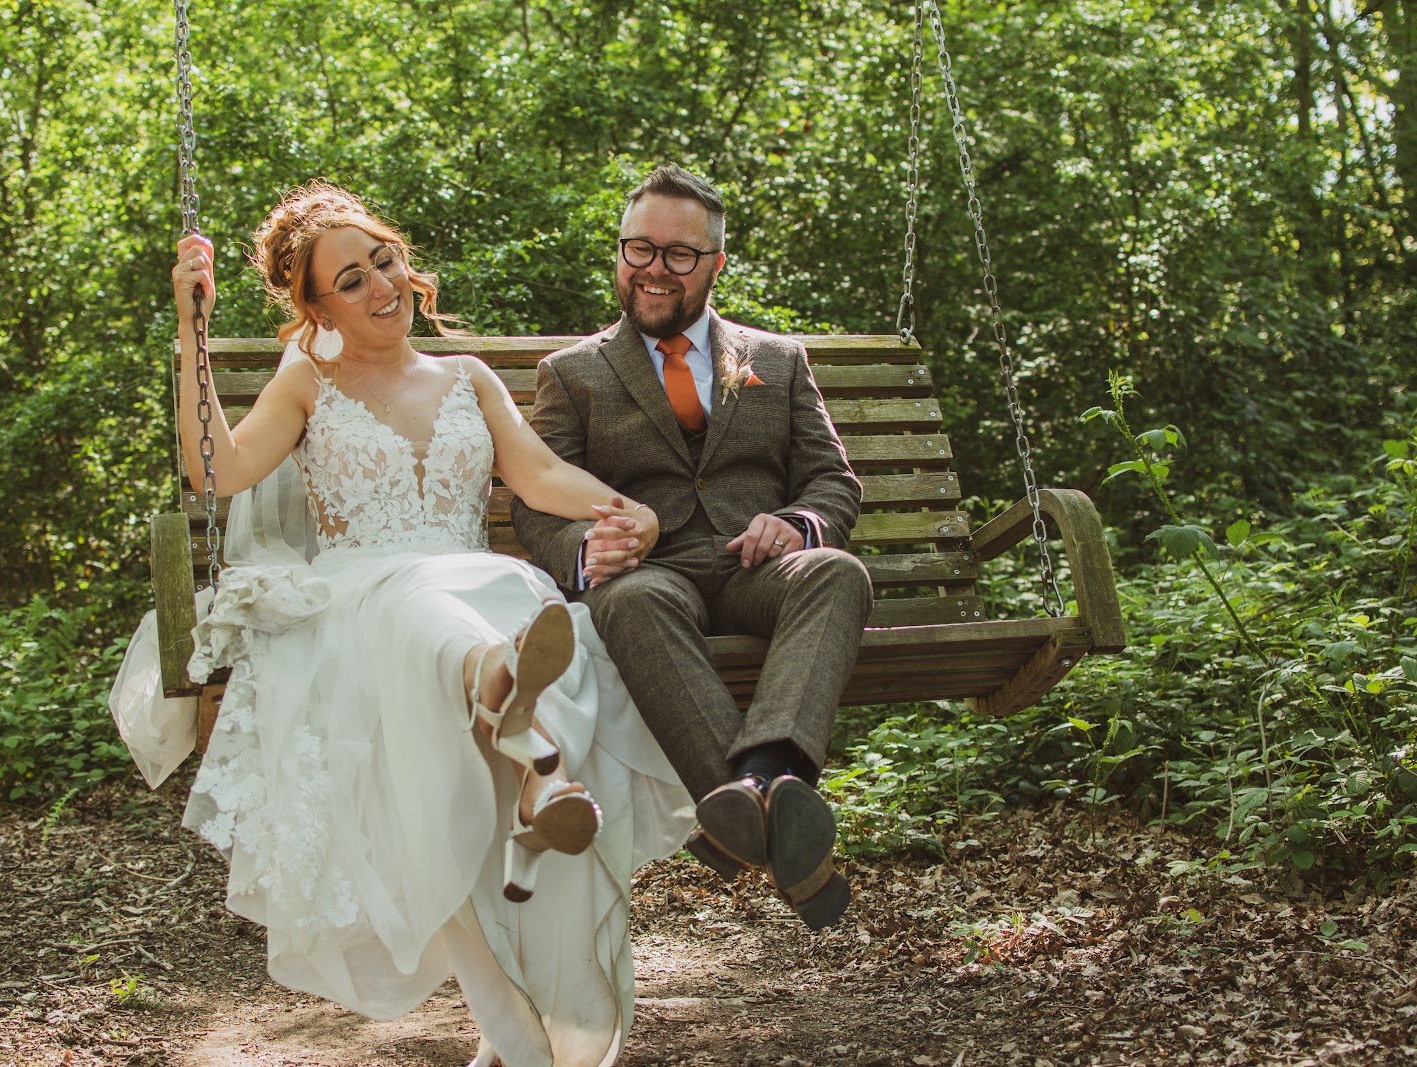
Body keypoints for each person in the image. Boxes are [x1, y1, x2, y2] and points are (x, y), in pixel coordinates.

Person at [108, 181, 692, 1067]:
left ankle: (527, 754)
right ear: (316, 307)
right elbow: (216, 470)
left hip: (480, 583)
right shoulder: (309, 382)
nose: (381, 285)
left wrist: (628, 509)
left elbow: (538, 476)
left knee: (525, 611)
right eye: (351, 279)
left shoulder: (468, 379)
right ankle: (507, 699)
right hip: (365, 602)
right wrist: (193, 328)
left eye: (383, 261)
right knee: (424, 620)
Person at [512, 165, 873, 931]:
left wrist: (798, 522)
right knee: (633, 599)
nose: (654, 268)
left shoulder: (778, 360)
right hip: (651, 572)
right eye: (639, 248)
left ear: (715, 264)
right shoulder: (571, 374)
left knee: (836, 571)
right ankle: (765, 807)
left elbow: (833, 481)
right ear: (620, 252)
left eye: (679, 254)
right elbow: (536, 501)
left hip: (757, 568)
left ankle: (751, 789)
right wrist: (587, 548)